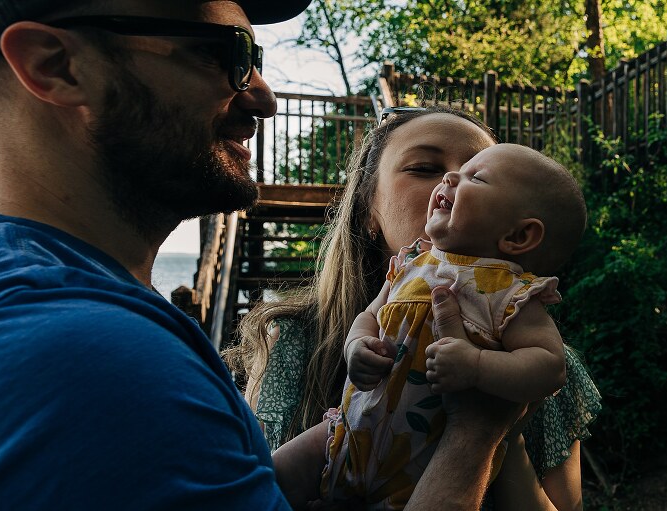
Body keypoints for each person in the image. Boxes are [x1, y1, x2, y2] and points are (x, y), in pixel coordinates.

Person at [0, 2, 522, 509]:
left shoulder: (28, 298)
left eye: (254, 60)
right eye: (223, 54)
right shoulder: (99, 363)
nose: (264, 97)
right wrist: (473, 435)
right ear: (57, 66)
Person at [233, 107, 602, 510]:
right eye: (425, 167)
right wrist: (357, 345)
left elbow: (566, 504)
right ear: (367, 211)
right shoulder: (299, 338)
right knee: (266, 485)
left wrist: (496, 424)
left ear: (518, 234)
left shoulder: (515, 316)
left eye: (478, 174)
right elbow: (369, 318)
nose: (450, 178)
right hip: (345, 441)